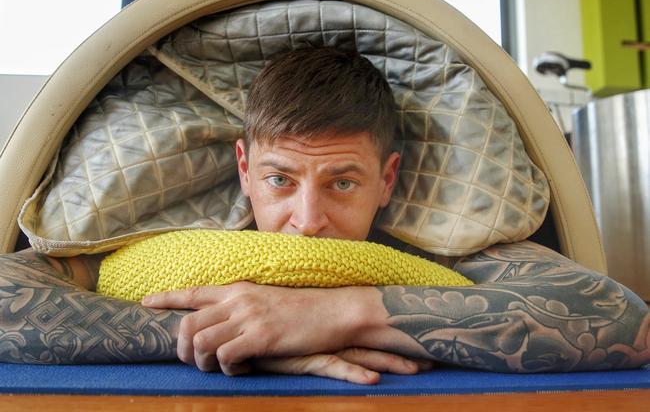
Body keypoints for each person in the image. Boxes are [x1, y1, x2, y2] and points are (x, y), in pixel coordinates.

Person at [0, 47, 648, 385]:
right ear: (244, 170)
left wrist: (330, 315)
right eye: (280, 180)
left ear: (388, 179)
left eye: (343, 183)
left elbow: (620, 322)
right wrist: (233, 337)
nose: (307, 219)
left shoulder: (445, 248)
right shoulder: (165, 251)